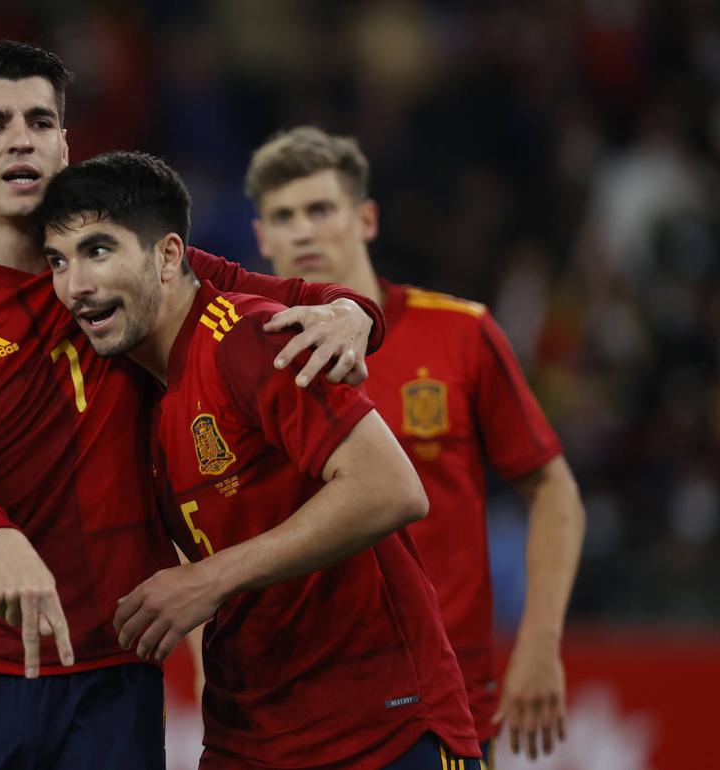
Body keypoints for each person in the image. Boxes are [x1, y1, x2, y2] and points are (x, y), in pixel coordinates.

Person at [0, 41, 385, 769]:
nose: (22, 138)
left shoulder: (130, 270)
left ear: (65, 144)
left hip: (113, 670)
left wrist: (358, 314)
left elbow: (300, 296)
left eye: (40, 121)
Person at [32, 150, 482, 769]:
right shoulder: (134, 391)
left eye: (99, 251)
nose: (75, 285)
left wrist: (207, 580)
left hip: (382, 734)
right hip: (250, 739)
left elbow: (392, 488)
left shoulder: (249, 339)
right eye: (59, 261)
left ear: (167, 256)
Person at [245, 126, 587, 764]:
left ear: (366, 218)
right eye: (283, 216)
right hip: (293, 706)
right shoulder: (237, 357)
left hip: (441, 704)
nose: (303, 231)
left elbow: (553, 487)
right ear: (261, 237)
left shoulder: (459, 334)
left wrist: (540, 641)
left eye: (321, 209)